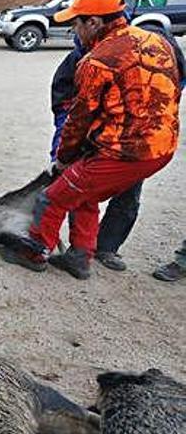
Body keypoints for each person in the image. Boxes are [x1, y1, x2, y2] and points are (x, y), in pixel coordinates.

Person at [6, 0, 179, 279]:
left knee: (53, 197)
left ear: (94, 22)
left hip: (125, 151)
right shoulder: (156, 41)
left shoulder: (97, 61)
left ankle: (34, 252)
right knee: (82, 191)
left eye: (77, 23)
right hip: (162, 146)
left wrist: (63, 159)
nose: (75, 30)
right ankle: (79, 257)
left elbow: (79, 120)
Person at [49, 26, 186, 273]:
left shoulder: (159, 52)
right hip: (101, 138)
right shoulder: (78, 62)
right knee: (79, 190)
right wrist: (61, 154)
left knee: (116, 194)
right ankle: (80, 253)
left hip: (137, 145)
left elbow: (170, 95)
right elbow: (66, 114)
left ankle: (103, 248)